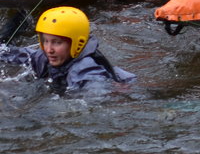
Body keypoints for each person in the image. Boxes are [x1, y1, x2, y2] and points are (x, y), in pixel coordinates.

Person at [0, 7, 134, 93]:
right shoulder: (46, 56)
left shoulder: (84, 70)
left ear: (76, 43)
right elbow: (21, 56)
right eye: (45, 41)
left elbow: (94, 99)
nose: (49, 49)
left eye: (57, 43)